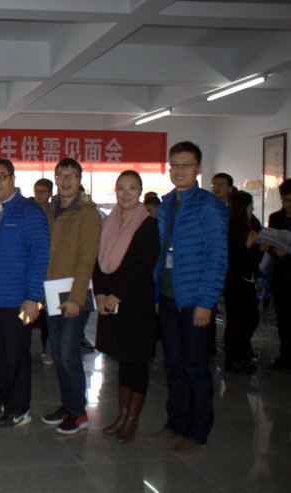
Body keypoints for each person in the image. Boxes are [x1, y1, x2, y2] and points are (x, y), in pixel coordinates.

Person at [145, 141, 227, 457]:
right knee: (174, 366)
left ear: (198, 169)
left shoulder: (209, 206)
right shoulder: (166, 205)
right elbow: (160, 256)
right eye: (174, 165)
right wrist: (157, 294)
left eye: (186, 165)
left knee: (195, 368)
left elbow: (217, 258)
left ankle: (197, 432)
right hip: (168, 298)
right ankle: (176, 424)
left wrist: (206, 302)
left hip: (195, 301)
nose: (179, 170)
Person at [0, 158, 49, 430]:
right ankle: (5, 399)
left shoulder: (29, 211)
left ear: (13, 178)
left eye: (1, 177)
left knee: (16, 356)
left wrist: (33, 298)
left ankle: (19, 409)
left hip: (17, 300)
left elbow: (40, 256)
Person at [93, 171, 159, 443]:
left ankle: (132, 420)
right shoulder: (108, 222)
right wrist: (99, 293)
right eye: (121, 188)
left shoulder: (148, 224)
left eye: (132, 188)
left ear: (140, 191)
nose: (126, 193)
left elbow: (143, 267)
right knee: (122, 360)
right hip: (110, 302)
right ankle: (121, 416)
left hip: (135, 304)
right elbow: (98, 262)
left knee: (136, 362)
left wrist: (117, 296)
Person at [41, 158, 101, 435]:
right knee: (58, 354)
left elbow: (87, 258)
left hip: (73, 293)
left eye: (72, 176)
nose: (66, 181)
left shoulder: (87, 213)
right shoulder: (50, 209)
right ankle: (68, 405)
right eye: (61, 175)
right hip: (51, 291)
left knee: (69, 355)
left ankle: (78, 412)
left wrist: (76, 298)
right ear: (55, 178)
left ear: (79, 180)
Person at [223, 191, 262, 374]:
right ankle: (233, 358)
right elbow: (232, 258)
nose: (252, 209)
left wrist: (260, 248)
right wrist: (247, 246)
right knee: (236, 321)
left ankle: (242, 353)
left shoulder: (251, 224)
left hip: (248, 280)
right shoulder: (231, 227)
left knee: (251, 318)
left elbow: (252, 258)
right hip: (235, 281)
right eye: (249, 205)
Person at [266, 178, 291, 369]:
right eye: (285, 200)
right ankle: (285, 355)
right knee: (283, 316)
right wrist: (274, 250)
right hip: (282, 273)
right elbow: (269, 242)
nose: (288, 204)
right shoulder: (276, 218)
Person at [32, 178, 54, 366]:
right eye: (36, 191)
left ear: (50, 194)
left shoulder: (54, 213)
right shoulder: (29, 211)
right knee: (27, 310)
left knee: (50, 313)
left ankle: (48, 348)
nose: (39, 195)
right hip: (32, 271)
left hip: (50, 271)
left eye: (43, 192)